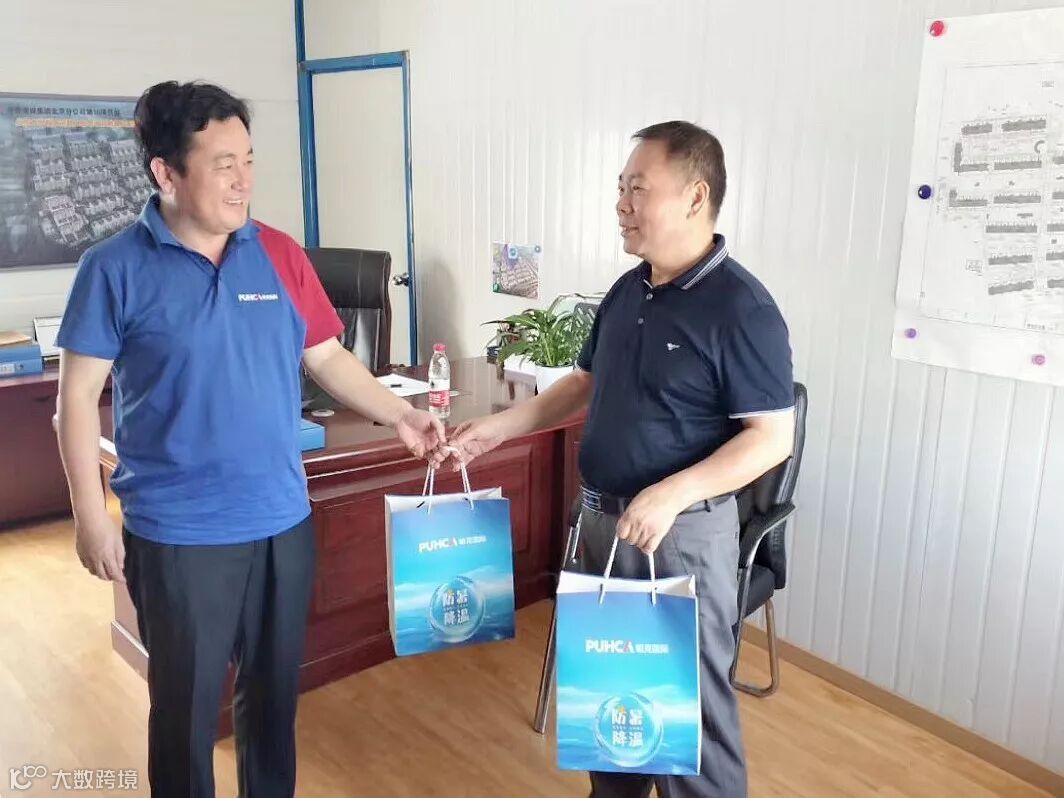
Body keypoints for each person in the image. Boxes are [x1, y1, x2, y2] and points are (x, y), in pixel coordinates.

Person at [54, 80, 445, 798]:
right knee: (185, 716)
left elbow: (327, 357)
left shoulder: (279, 253)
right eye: (223, 164)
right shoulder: (112, 269)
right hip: (179, 534)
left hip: (280, 521)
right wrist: (89, 514)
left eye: (249, 160)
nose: (243, 180)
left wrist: (400, 413)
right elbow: (75, 399)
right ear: (166, 173)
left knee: (272, 705)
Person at [450, 120, 795, 797]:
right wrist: (496, 431)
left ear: (695, 197)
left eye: (638, 189)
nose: (621, 205)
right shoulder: (628, 290)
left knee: (690, 725)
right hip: (601, 525)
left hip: (679, 536)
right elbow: (581, 384)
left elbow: (770, 436)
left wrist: (671, 492)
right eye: (620, 189)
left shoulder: (743, 309)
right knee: (612, 708)